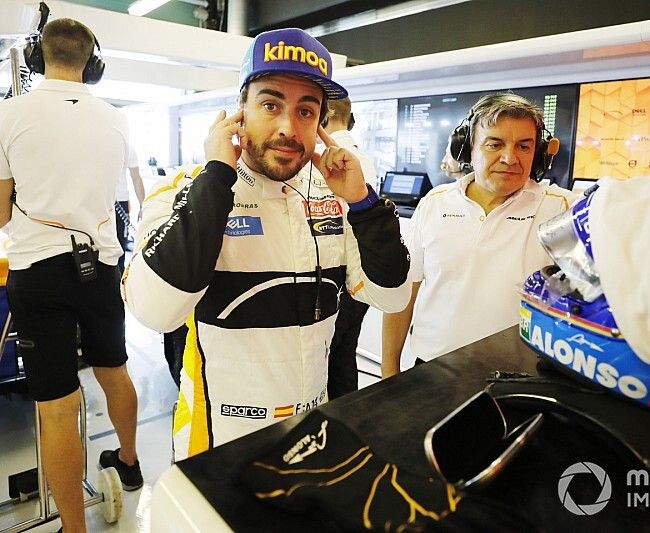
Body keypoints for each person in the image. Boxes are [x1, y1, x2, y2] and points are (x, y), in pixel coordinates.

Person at [123, 28, 411, 460]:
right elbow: (155, 311)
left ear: (321, 123)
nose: (287, 128)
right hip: (218, 443)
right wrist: (217, 177)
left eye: (306, 111)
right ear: (241, 110)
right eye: (270, 104)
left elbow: (392, 295)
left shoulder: (334, 197)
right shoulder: (185, 190)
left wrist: (364, 203)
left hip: (312, 434)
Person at [0, 18, 141, 532]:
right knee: (114, 368)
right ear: (92, 62)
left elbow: (0, 213)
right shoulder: (116, 118)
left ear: (38, 56)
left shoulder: (9, 113)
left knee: (57, 407)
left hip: (39, 271)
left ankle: (74, 530)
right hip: (100, 265)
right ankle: (129, 460)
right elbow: (122, 194)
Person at [382, 92, 577, 376]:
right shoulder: (435, 203)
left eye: (524, 146)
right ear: (468, 149)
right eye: (494, 144)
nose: (510, 158)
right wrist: (389, 372)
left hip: (521, 378)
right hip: (432, 371)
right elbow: (403, 293)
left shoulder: (560, 208)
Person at [323, 97, 378, 398]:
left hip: (338, 281)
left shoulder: (327, 157)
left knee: (326, 363)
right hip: (361, 280)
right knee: (345, 355)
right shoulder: (363, 157)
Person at [114, 144, 145, 273]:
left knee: (121, 247)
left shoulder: (128, 148)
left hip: (121, 201)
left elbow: (136, 177)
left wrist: (143, 205)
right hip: (103, 201)